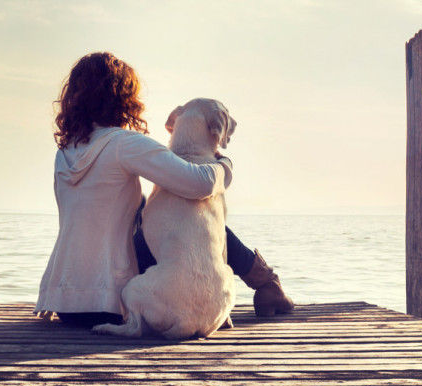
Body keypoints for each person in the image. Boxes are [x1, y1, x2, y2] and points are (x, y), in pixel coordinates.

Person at [34, 52, 295, 329]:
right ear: (122, 97)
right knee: (195, 212)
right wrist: (224, 163)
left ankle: (266, 284)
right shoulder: (124, 143)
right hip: (112, 301)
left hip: (65, 304)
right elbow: (200, 183)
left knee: (155, 209)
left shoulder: (64, 153)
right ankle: (267, 283)